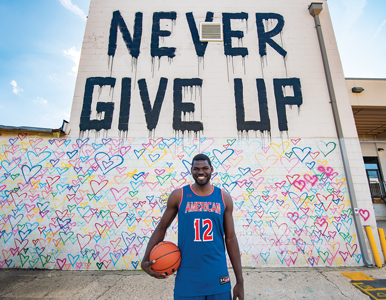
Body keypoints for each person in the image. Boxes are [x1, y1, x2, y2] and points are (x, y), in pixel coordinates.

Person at [141, 153, 244, 300]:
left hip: (217, 275)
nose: (200, 172)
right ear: (191, 170)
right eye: (196, 168)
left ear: (211, 169)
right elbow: (161, 228)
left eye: (205, 168)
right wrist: (145, 259)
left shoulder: (223, 197)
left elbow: (231, 238)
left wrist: (240, 280)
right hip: (188, 277)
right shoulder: (179, 196)